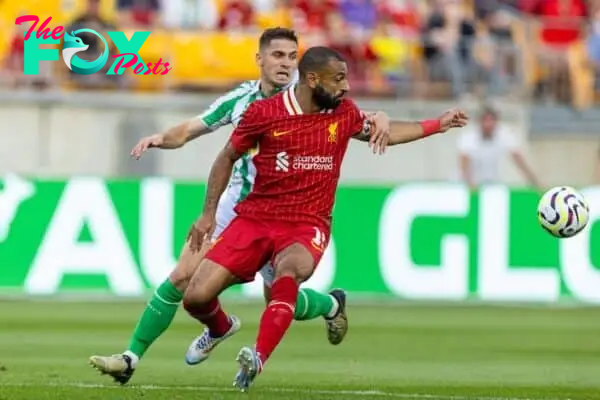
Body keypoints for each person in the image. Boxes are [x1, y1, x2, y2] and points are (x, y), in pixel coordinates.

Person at [88, 27, 388, 385]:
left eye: (292, 57)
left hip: (283, 213)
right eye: (278, 56)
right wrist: (160, 138)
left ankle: (331, 305)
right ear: (259, 59)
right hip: (237, 206)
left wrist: (380, 116)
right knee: (183, 275)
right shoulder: (242, 100)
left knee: (279, 302)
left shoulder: (314, 98)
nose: (285, 64)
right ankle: (132, 357)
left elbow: (358, 115)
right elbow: (192, 128)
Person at [182, 46, 468, 392]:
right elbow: (226, 157)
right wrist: (208, 213)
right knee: (195, 298)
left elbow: (385, 134)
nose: (346, 87)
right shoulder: (264, 113)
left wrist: (439, 124)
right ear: (312, 79)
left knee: (289, 274)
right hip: (256, 218)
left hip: (307, 222)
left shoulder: (343, 112)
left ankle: (257, 357)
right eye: (339, 79)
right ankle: (224, 326)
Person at [457, 105, 540, 188]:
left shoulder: (504, 134)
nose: (488, 124)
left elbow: (518, 159)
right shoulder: (468, 138)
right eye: (485, 120)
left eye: (491, 120)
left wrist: (534, 182)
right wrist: (469, 185)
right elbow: (464, 164)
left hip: (493, 183)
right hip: (468, 184)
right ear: (479, 122)